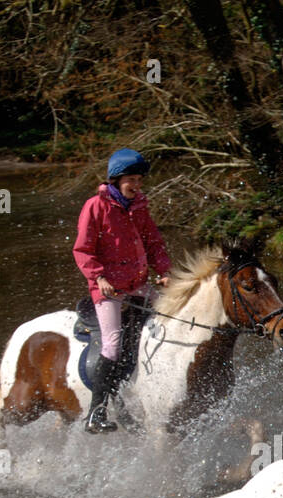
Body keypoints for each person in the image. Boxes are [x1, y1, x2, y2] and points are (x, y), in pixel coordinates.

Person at [73, 147, 171, 432]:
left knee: (167, 320)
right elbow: (83, 250)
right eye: (132, 181)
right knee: (113, 345)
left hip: (138, 285)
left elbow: (154, 243)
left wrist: (164, 271)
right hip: (108, 290)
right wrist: (99, 277)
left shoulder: (139, 207)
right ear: (116, 180)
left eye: (140, 181)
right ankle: (97, 413)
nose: (137, 186)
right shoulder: (95, 206)